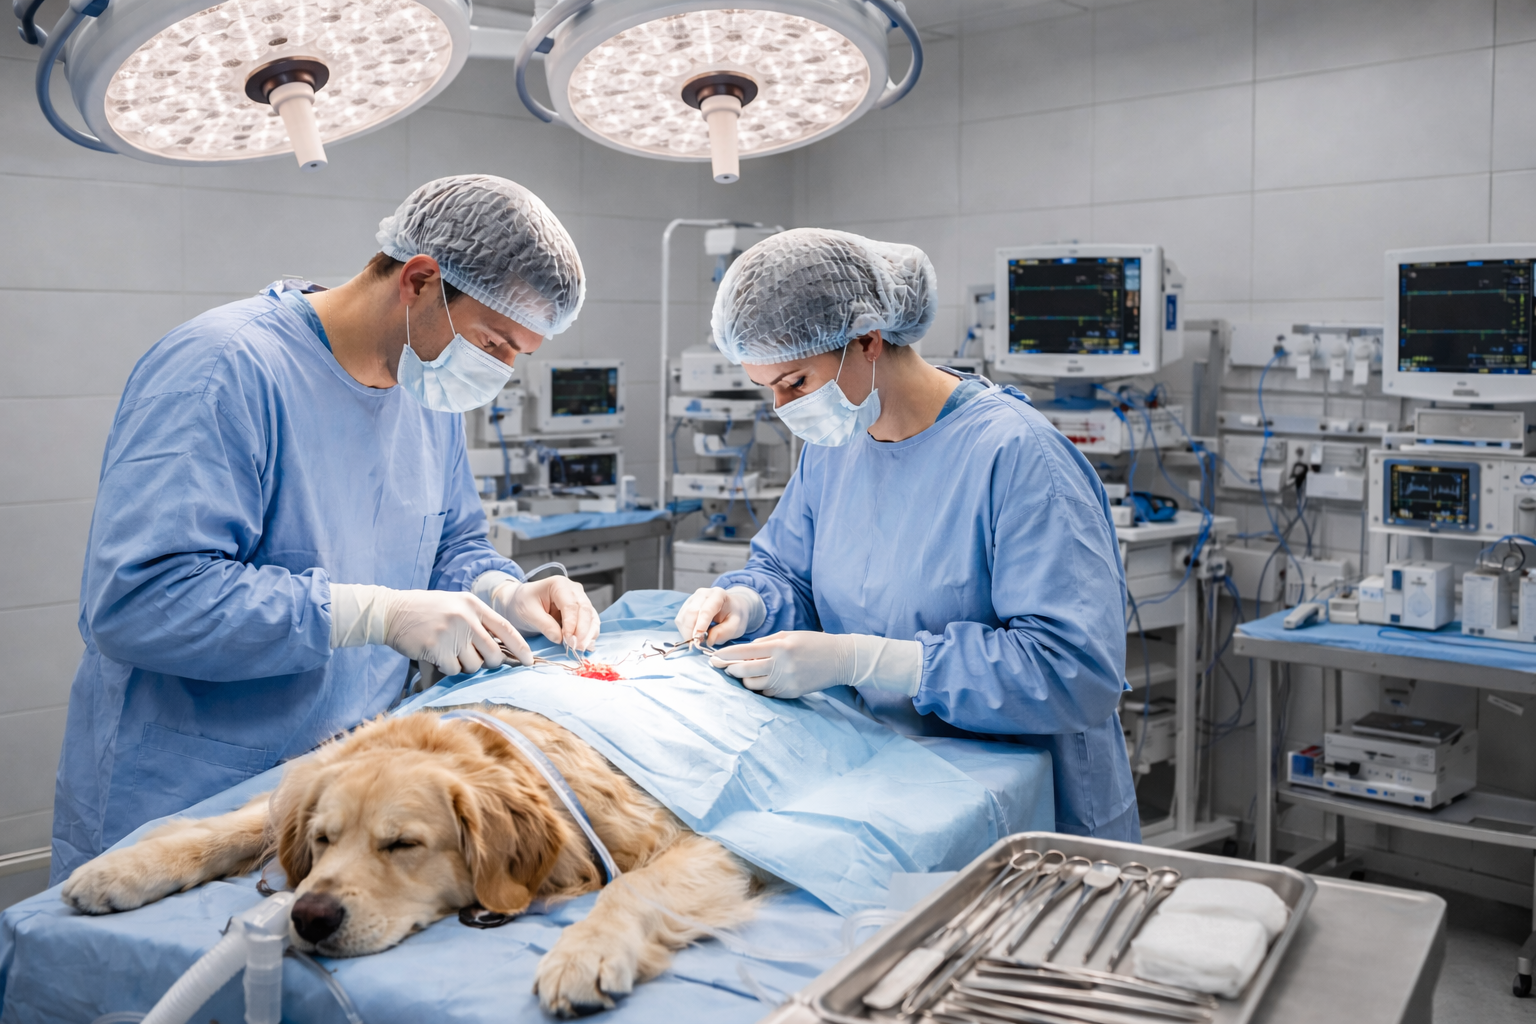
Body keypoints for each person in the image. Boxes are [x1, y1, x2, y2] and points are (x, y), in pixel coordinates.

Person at [51, 175, 601, 881]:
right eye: (495, 341)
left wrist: (502, 593)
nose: (500, 370)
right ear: (421, 281)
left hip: (345, 802)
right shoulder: (224, 369)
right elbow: (139, 602)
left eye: (518, 353)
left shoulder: (426, 392)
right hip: (186, 795)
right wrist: (375, 613)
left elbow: (451, 544)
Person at [675, 229, 1138, 841]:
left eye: (795, 384)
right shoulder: (836, 447)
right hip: (896, 792)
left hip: (1031, 821)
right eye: (770, 392)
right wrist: (746, 602)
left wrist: (864, 660)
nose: (785, 410)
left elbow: (1073, 671)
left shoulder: (1018, 455)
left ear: (868, 340)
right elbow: (789, 573)